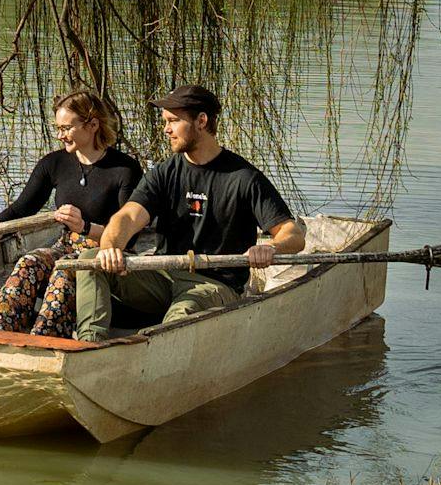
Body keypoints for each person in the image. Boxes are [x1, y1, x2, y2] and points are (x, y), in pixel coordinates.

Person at [83, 82, 300, 332]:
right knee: (90, 259)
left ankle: (160, 359)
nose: (166, 129)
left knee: (183, 311)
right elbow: (128, 217)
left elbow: (292, 234)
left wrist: (272, 247)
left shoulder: (243, 177)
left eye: (174, 120)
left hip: (215, 283)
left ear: (202, 121)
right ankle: (89, 345)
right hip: (164, 274)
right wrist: (111, 248)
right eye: (165, 121)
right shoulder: (164, 173)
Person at [0, 90, 139, 335]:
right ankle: (2, 337)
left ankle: (45, 342)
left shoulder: (125, 169)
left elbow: (131, 238)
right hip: (65, 247)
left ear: (92, 125)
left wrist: (84, 227)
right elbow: (20, 209)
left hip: (103, 253)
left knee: (63, 274)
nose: (60, 135)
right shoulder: (54, 163)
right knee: (27, 264)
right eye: (58, 128)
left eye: (66, 128)